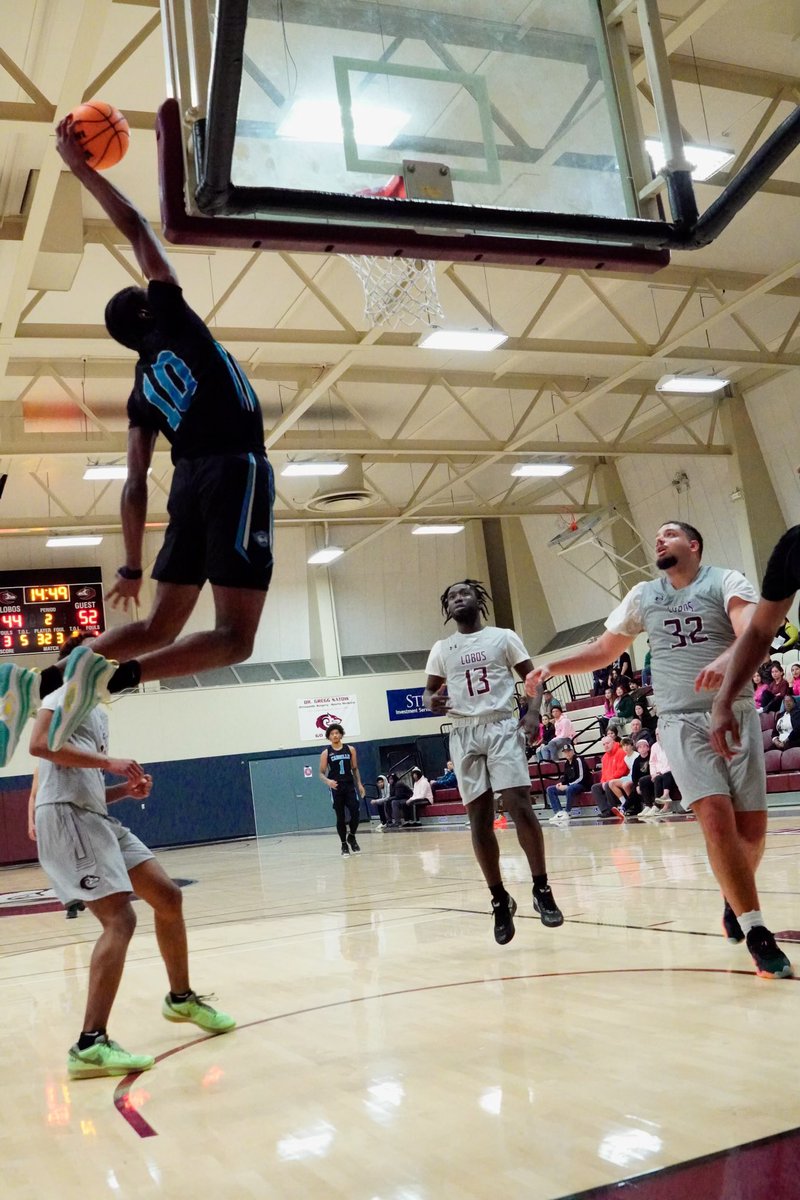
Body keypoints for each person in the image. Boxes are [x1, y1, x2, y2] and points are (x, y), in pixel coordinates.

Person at [0, 116, 276, 768]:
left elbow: (131, 483)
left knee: (156, 626)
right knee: (235, 639)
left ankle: (40, 681)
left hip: (187, 484)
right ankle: (117, 680)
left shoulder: (139, 389)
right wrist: (82, 168)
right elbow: (138, 228)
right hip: (235, 468)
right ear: (149, 308)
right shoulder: (173, 317)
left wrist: (130, 562)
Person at [528, 519, 792, 980]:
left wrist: (724, 659)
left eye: (669, 534)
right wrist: (552, 665)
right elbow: (604, 651)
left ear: (694, 544)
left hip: (737, 711)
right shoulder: (642, 595)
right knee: (715, 821)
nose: (659, 539)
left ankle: (735, 897)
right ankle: (756, 929)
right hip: (679, 719)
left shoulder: (726, 580)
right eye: (657, 537)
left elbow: (752, 632)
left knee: (750, 832)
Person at [28, 671, 235, 1080]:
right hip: (69, 821)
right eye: (95, 648)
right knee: (120, 919)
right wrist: (110, 763)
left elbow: (82, 785)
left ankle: (181, 998)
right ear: (78, 662)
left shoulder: (96, 713)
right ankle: (90, 1044)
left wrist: (124, 791)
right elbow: (38, 745)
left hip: (94, 815)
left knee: (168, 897)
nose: (108, 655)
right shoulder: (64, 693)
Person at [424, 579, 562, 944]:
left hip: (501, 724)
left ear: (478, 600)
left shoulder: (503, 637)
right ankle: (499, 899)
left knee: (519, 806)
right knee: (479, 819)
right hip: (463, 731)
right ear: (447, 607)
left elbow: (534, 679)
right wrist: (429, 701)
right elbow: (428, 691)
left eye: (463, 593)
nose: (457, 599)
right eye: (451, 596)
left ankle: (541, 888)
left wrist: (533, 713)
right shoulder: (442, 648)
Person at [28, 765, 85, 919]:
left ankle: (77, 893)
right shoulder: (40, 769)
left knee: (72, 857)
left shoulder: (66, 766)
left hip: (67, 813)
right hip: (45, 816)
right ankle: (70, 902)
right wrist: (30, 822)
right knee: (50, 861)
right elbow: (33, 796)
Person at [319, 724, 365, 855]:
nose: (335, 735)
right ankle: (344, 845)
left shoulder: (350, 749)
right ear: (329, 736)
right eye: (332, 733)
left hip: (349, 785)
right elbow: (321, 773)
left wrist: (360, 784)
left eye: (337, 733)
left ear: (341, 734)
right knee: (340, 817)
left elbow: (355, 768)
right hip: (336, 787)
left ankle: (352, 836)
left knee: (355, 812)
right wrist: (328, 781)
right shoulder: (326, 753)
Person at [545, 742, 590, 826]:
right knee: (550, 789)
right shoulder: (566, 763)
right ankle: (559, 812)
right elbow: (566, 778)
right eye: (565, 752)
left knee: (570, 788)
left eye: (569, 751)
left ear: (573, 751)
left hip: (582, 785)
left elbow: (581, 778)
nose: (567, 753)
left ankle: (567, 811)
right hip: (571, 785)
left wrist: (567, 785)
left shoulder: (578, 760)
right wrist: (561, 783)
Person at [589, 733, 628, 819]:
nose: (606, 746)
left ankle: (612, 809)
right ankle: (605, 810)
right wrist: (603, 782)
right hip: (609, 781)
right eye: (604, 744)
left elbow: (622, 771)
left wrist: (607, 781)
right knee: (595, 787)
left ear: (613, 742)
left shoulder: (621, 752)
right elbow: (604, 774)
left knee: (608, 784)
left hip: (620, 780)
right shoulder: (605, 757)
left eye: (607, 743)